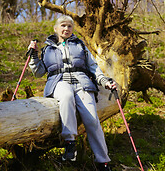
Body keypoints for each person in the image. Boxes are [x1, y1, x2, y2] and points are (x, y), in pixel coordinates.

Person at [28, 15, 117, 171]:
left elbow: (93, 67)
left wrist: (105, 81)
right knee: (66, 95)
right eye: (63, 25)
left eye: (69, 26)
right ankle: (70, 143)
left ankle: (103, 162)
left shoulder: (80, 45)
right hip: (59, 82)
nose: (66, 29)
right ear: (55, 28)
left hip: (82, 83)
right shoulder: (47, 49)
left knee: (92, 120)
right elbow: (38, 72)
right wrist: (34, 55)